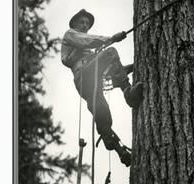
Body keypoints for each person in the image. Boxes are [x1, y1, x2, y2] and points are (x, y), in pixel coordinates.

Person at [61, 9, 143, 166]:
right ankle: (129, 94)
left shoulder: (87, 51)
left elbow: (112, 71)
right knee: (110, 52)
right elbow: (86, 41)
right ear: (75, 24)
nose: (85, 25)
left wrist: (131, 67)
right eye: (82, 22)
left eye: (87, 23)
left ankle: (121, 152)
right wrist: (110, 39)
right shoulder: (71, 35)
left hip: (91, 80)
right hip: (83, 77)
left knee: (102, 113)